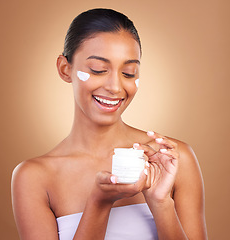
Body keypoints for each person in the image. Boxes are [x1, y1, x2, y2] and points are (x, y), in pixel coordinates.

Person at [11, 8, 208, 240]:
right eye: (98, 70)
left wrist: (161, 202)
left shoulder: (173, 159)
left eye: (128, 73)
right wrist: (98, 203)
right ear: (65, 69)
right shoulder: (33, 177)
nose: (115, 87)